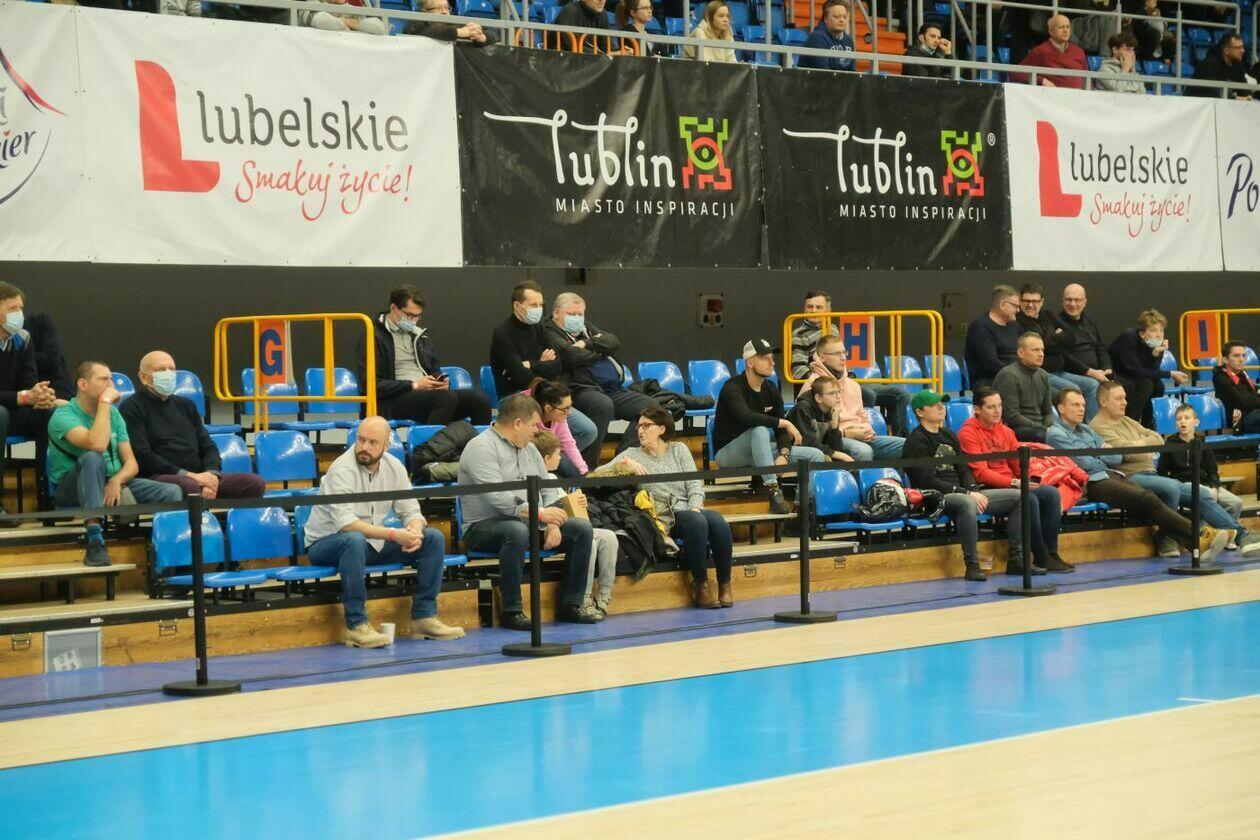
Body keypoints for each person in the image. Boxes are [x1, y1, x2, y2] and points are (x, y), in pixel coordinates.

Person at [304, 417, 464, 649]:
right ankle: (356, 626)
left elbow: (410, 510)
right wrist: (393, 534)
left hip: (368, 544)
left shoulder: (394, 466)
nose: (364, 447)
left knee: (432, 538)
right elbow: (346, 524)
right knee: (353, 539)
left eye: (372, 442)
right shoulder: (341, 469)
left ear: (386, 445)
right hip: (325, 544)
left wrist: (414, 530)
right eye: (361, 440)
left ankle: (424, 617)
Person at [457, 393, 600, 629]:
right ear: (517, 423)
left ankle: (571, 604)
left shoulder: (530, 449)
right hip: (484, 527)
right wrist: (541, 515)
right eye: (534, 425)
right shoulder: (480, 448)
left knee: (581, 529)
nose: (537, 431)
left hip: (531, 522)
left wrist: (551, 522)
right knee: (515, 530)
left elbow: (548, 488)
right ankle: (511, 610)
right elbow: (498, 497)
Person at [1047, 386, 1231, 564]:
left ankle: (1196, 544)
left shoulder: (1086, 430)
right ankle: (1200, 534)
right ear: (1061, 408)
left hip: (1112, 474)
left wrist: (1097, 454)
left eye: (1083, 405)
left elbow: (1115, 457)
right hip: (1092, 482)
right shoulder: (1056, 433)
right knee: (1148, 499)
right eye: (1075, 405)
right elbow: (1086, 464)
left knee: (1149, 500)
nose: (1081, 409)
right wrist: (1100, 453)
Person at [48, 362, 184, 567]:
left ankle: (170, 560)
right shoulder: (64, 415)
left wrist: (116, 481)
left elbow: (131, 463)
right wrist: (104, 402)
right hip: (73, 486)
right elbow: (97, 444)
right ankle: (95, 539)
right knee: (92, 458)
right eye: (104, 379)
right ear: (83, 384)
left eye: (111, 379)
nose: (111, 385)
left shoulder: (114, 414)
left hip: (112, 481)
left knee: (171, 491)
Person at [614, 405, 735, 608]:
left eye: (646, 426)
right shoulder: (632, 454)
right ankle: (701, 585)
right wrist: (625, 464)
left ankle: (725, 584)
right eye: (639, 426)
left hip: (689, 510)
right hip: (662, 516)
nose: (640, 431)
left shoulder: (679, 449)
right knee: (697, 522)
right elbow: (597, 473)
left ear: (662, 428)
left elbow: (694, 485)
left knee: (718, 521)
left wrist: (695, 507)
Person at [903, 389, 1024, 581]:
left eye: (941, 403)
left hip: (964, 492)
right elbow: (927, 480)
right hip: (935, 497)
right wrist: (965, 493)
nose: (941, 407)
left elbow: (964, 469)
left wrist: (973, 489)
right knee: (966, 503)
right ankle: (972, 565)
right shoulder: (915, 441)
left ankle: (1017, 559)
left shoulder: (949, 434)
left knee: (1020, 497)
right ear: (920, 412)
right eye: (934, 405)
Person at [119, 351, 266, 500]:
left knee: (254, 483)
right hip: (161, 477)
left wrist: (211, 475)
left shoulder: (186, 405)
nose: (168, 374)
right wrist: (190, 476)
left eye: (172, 369)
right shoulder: (132, 407)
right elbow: (143, 455)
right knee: (190, 485)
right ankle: (199, 513)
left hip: (200, 476)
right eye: (161, 370)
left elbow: (208, 446)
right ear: (144, 377)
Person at [957, 387, 1072, 574]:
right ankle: (1039, 555)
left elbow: (1018, 467)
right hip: (987, 487)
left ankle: (1051, 552)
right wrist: (1014, 483)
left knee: (1051, 493)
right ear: (977, 409)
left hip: (1013, 483)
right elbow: (980, 473)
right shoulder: (968, 433)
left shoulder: (1007, 431)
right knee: (1028, 498)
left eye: (1000, 406)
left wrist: (1028, 479)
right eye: (991, 407)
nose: (997, 411)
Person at [544, 292, 658, 466]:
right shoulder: (549, 331)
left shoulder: (586, 327)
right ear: (556, 312)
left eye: (580, 314)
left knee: (651, 409)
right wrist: (599, 351)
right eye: (571, 314)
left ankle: (622, 460)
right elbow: (572, 356)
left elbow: (613, 342)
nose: (577, 318)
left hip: (611, 389)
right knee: (602, 405)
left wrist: (587, 344)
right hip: (579, 390)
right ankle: (589, 469)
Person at [713, 338, 824, 515]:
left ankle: (801, 509)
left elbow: (780, 431)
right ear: (750, 362)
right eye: (765, 358)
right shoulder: (732, 387)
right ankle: (773, 492)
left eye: (772, 358)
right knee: (759, 430)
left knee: (816, 455)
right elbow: (747, 417)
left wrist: (784, 454)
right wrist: (785, 422)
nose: (772, 363)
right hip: (729, 453)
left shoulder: (771, 388)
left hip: (761, 450)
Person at [359, 286, 492, 427]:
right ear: (393, 308)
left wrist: (441, 382)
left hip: (427, 396)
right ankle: (431, 441)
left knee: (480, 400)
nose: (413, 320)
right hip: (391, 401)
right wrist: (414, 385)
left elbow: (434, 369)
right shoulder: (373, 336)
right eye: (409, 315)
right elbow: (371, 385)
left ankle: (480, 442)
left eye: (417, 316)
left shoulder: (419, 335)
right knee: (445, 398)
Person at [1090, 380, 1196, 557]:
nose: (1125, 402)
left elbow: (1157, 438)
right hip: (1129, 475)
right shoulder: (1097, 426)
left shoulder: (1126, 420)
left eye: (1125, 397)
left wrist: (1137, 444)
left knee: (1201, 494)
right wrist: (1142, 446)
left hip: (1151, 473)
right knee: (1171, 487)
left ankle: (1235, 534)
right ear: (1103, 402)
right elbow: (1123, 453)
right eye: (1119, 398)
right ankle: (1166, 540)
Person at [792, 291, 910, 434]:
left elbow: (841, 360)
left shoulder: (833, 329)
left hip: (845, 381)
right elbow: (798, 371)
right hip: (824, 386)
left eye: (819, 307)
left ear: (829, 310)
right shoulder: (798, 334)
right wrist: (825, 381)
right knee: (868, 395)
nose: (813, 311)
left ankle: (900, 437)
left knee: (900, 393)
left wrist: (848, 376)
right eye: (810, 307)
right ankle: (854, 432)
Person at [1157, 403, 1260, 554]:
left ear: (1196, 422)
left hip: (1206, 484)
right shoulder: (1170, 444)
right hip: (1184, 485)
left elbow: (1212, 469)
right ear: (1175, 424)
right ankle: (1202, 538)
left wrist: (1215, 487)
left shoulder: (1201, 441)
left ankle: (1227, 536)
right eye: (1179, 419)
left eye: (1186, 418)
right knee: (1205, 498)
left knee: (1235, 502)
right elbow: (1162, 472)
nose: (1182, 421)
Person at [534, 430, 616, 618]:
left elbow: (570, 512)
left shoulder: (552, 478)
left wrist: (578, 503)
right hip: (546, 529)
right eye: (558, 454)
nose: (561, 458)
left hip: (565, 524)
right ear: (547, 458)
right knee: (589, 540)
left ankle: (604, 597)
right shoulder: (534, 477)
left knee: (609, 537)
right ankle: (582, 599)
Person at [0, 282, 57, 519]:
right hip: (3, 412)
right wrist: (23, 397)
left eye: (20, 308)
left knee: (50, 412)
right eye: (12, 308)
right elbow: (22, 395)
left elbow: (29, 381)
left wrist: (40, 395)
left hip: (14, 410)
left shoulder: (23, 338)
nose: (19, 314)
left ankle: (47, 499)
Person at [799, 336, 906, 462]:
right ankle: (860, 476)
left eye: (844, 353)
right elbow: (815, 432)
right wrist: (847, 433)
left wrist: (867, 430)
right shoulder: (813, 387)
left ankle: (894, 476)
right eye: (837, 354)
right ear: (822, 357)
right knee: (863, 451)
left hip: (862, 436)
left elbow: (862, 416)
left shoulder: (853, 385)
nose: (843, 358)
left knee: (909, 445)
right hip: (836, 440)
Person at [1016, 282, 1099, 420]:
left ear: (1042, 302)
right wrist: (1056, 336)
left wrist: (1051, 338)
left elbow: (1071, 336)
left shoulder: (1048, 315)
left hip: (1060, 371)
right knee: (1073, 389)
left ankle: (1090, 428)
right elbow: (1044, 345)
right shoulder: (1019, 320)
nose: (1030, 305)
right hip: (1041, 373)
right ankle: (1074, 428)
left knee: (1092, 384)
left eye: (1035, 301)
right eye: (1026, 301)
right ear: (1020, 301)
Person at [1109, 309, 1186, 427]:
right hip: (1118, 373)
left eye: (1161, 330)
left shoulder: (1157, 344)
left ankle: (1148, 425)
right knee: (1146, 384)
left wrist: (1156, 354)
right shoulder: (1128, 337)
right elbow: (1134, 370)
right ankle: (1131, 424)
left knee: (1158, 385)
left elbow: (1152, 371)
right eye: (1153, 330)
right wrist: (1170, 374)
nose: (1159, 335)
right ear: (1142, 334)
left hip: (1136, 373)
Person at [993, 333, 1053, 443]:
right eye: (1036, 350)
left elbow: (1048, 411)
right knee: (1051, 437)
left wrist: (1049, 428)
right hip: (1016, 430)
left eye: (1042, 350)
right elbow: (1012, 417)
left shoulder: (1043, 375)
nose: (1041, 354)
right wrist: (1044, 429)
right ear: (1021, 353)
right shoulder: (1008, 376)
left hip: (1040, 428)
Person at [964, 284, 1022, 389]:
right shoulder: (980, 328)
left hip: (1014, 377)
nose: (1018, 310)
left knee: (1048, 383)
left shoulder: (1015, 326)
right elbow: (990, 364)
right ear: (1002, 305)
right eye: (1015, 306)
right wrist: (1017, 375)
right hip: (987, 381)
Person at [527, 379, 588, 478]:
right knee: (562, 463)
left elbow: (568, 444)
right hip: (528, 455)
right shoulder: (527, 415)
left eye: (570, 407)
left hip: (546, 453)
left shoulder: (558, 416)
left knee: (574, 472)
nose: (569, 413)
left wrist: (583, 471)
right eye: (565, 409)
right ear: (548, 408)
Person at [787, 375, 854, 464]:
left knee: (850, 455)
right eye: (832, 393)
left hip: (817, 448)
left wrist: (834, 424)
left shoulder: (831, 409)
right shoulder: (803, 408)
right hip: (794, 449)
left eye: (839, 392)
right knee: (826, 458)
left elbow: (835, 447)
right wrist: (838, 454)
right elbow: (808, 442)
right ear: (818, 398)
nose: (838, 397)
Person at [1014, 14, 1088, 89]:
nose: (1065, 30)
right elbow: (1017, 73)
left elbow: (1088, 79)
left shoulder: (1079, 52)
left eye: (1067, 27)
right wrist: (1042, 80)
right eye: (1061, 27)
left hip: (1079, 95)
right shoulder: (1040, 51)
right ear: (1051, 31)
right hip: (1051, 95)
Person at [1212, 341, 1260, 435]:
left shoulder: (1242, 373)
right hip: (1241, 421)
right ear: (1225, 359)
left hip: (1254, 414)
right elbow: (1242, 402)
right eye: (1236, 356)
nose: (1241, 359)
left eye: (1243, 355)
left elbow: (1253, 392)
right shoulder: (1221, 378)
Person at [1188, 32, 1253, 99]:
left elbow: (1243, 86)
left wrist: (1248, 95)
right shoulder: (1210, 63)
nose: (1243, 50)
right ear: (1226, 50)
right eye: (1238, 48)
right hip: (1196, 102)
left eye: (1242, 47)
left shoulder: (1237, 64)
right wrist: (1234, 98)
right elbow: (1209, 90)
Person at [799, 0, 855, 71]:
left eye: (844, 17)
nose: (842, 20)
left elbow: (852, 72)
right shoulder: (817, 38)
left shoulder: (849, 41)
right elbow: (824, 73)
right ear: (825, 19)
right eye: (836, 17)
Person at [404, 0, 496, 43]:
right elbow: (426, 31)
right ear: (424, 12)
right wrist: (459, 32)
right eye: (438, 8)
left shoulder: (453, 24)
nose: (444, 12)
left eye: (447, 8)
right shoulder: (415, 24)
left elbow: (494, 35)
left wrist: (481, 36)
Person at [297, 0, 388, 34]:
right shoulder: (309, 4)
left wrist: (350, 22)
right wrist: (349, 24)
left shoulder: (348, 8)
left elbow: (379, 28)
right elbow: (325, 22)